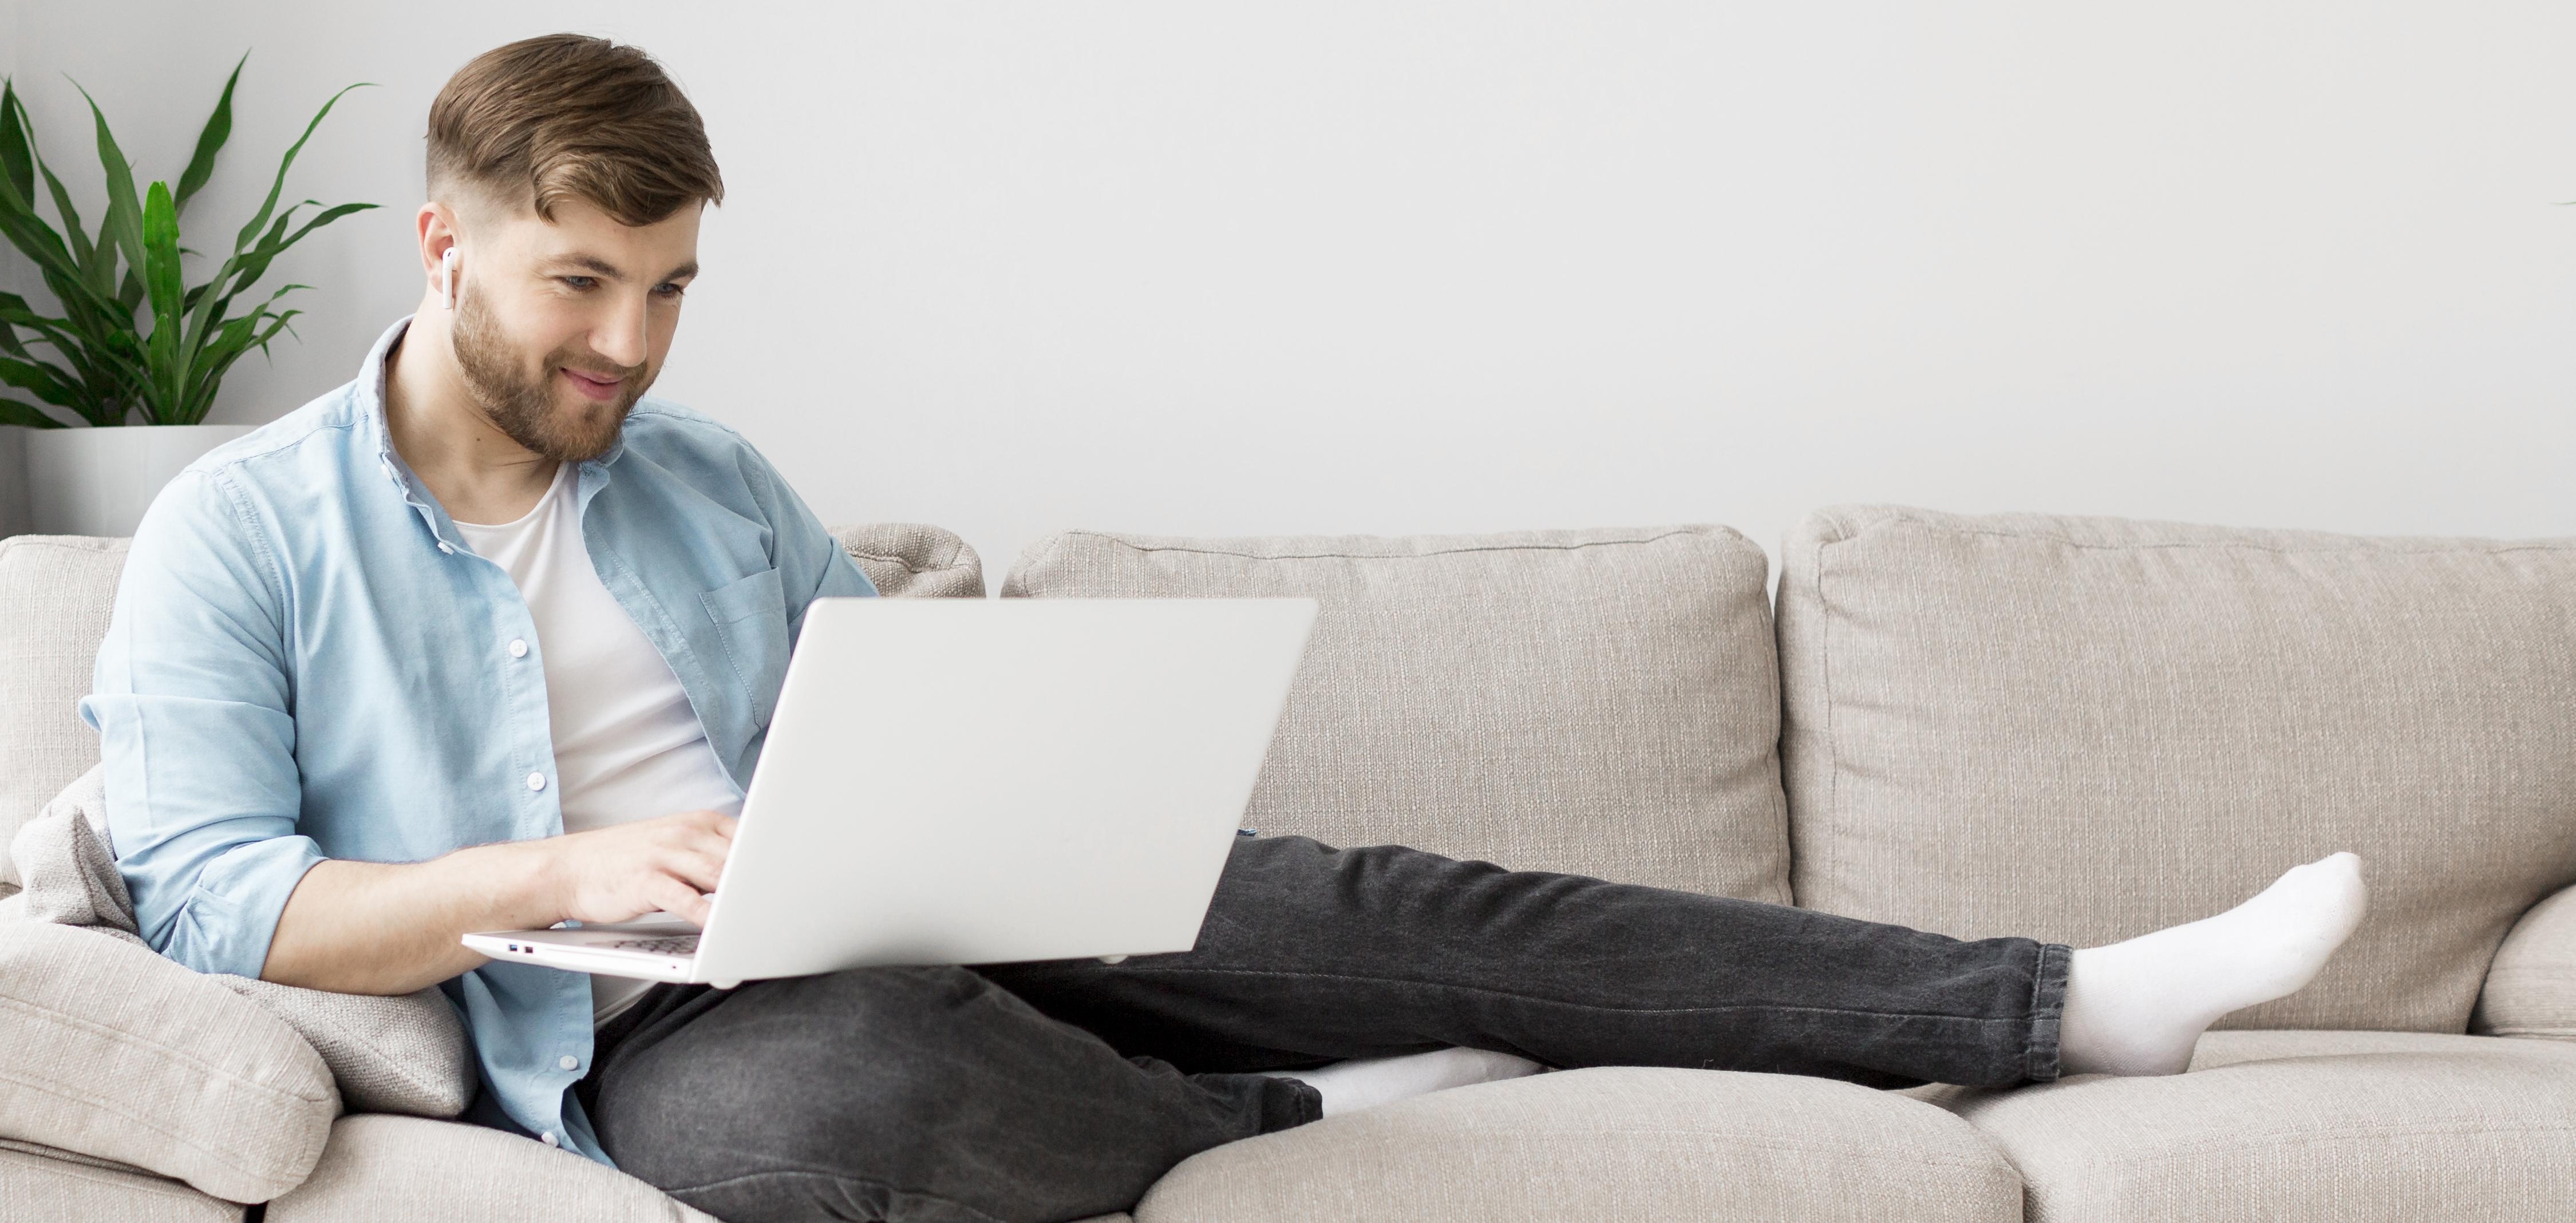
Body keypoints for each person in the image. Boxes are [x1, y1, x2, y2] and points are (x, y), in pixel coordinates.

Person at [88, 34, 2369, 1223]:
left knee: (1396, 894)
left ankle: (2063, 1002)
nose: (631, 346)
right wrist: (566, 875)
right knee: (860, 1096)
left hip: (881, 900)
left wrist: (942, 801)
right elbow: (215, 894)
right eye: (581, 284)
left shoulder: (709, 485)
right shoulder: (244, 531)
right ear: (443, 246)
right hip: (634, 1025)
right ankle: (1279, 1110)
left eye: (672, 288)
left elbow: (912, 711)